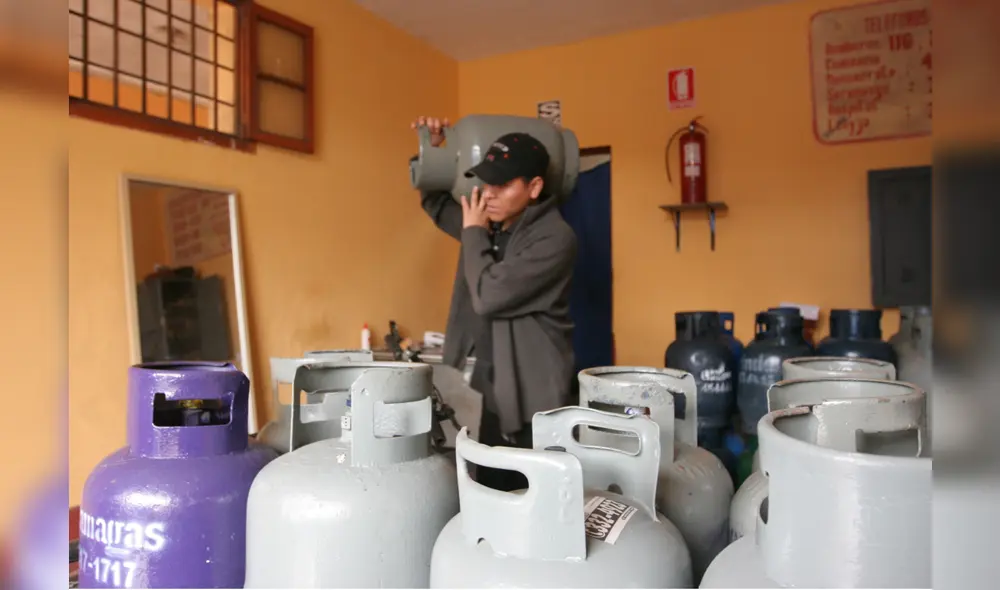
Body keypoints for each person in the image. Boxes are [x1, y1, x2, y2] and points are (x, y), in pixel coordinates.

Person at [410, 115, 577, 491]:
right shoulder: (492, 221)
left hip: (534, 392)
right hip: (493, 384)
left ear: (534, 187)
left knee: (527, 492)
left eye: (503, 185)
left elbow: (488, 295)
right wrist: (436, 149)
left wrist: (473, 233)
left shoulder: (554, 239)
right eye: (485, 182)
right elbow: (436, 202)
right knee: (488, 485)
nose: (488, 194)